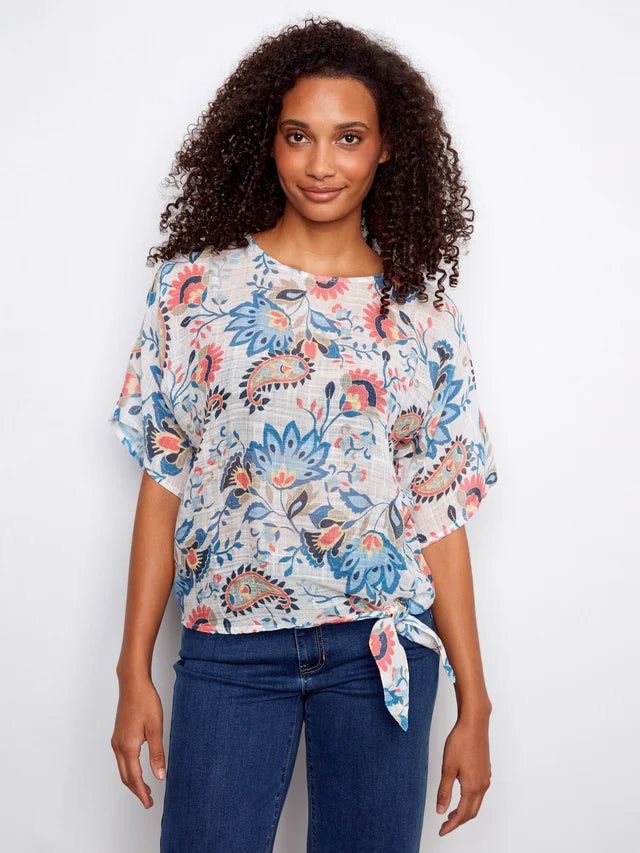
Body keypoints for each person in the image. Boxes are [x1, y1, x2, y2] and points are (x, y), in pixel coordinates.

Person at [108, 16, 499, 853]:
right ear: (268, 141)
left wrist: (476, 702)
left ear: (387, 148)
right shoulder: (195, 289)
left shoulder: (424, 318)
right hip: (227, 650)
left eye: (348, 137)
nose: (321, 164)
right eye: (298, 136)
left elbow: (439, 516)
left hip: (380, 653)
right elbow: (163, 482)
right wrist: (131, 667)